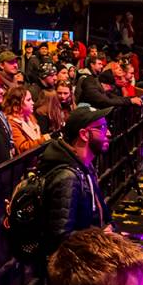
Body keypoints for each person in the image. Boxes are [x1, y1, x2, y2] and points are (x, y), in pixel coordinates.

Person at [37, 106, 111, 252]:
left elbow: (103, 215)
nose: (108, 133)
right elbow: (61, 237)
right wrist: (99, 237)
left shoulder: (85, 167)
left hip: (90, 252)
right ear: (84, 134)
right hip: (74, 267)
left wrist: (110, 227)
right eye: (102, 127)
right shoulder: (67, 177)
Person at [5, 83, 45, 154]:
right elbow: (23, 148)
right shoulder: (12, 123)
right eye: (29, 100)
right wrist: (45, 139)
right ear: (17, 104)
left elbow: (38, 137)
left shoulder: (29, 117)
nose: (32, 103)